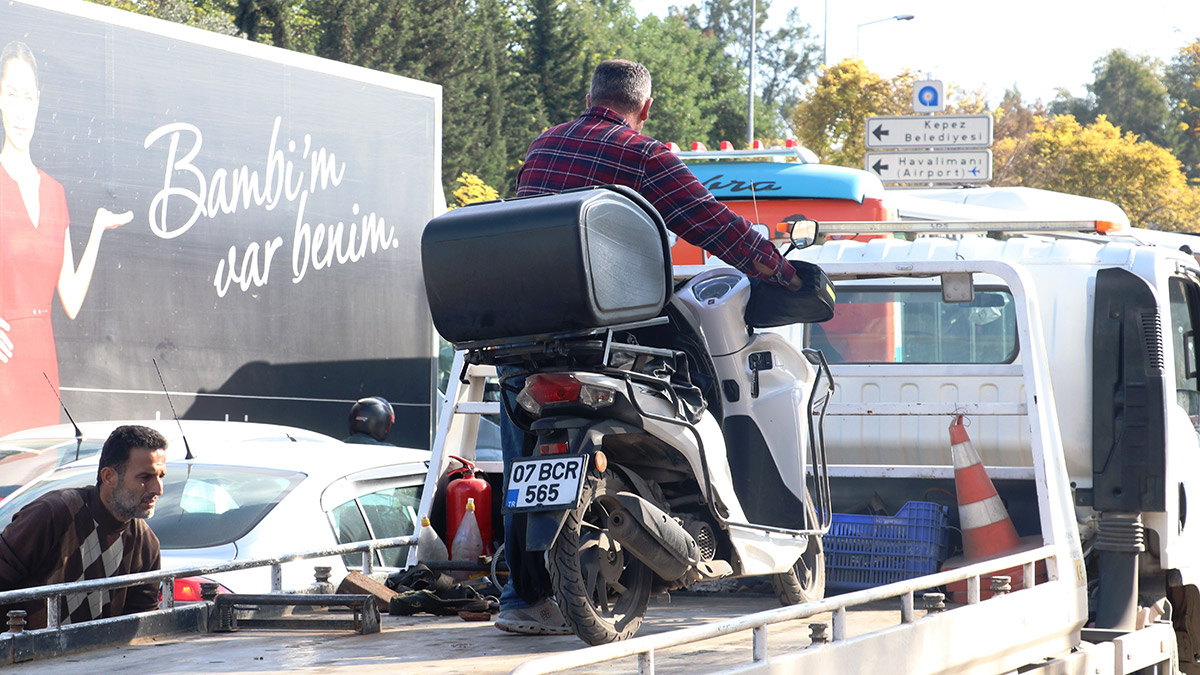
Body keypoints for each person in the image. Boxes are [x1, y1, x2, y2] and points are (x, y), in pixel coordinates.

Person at [494, 59, 803, 635]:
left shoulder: (543, 146)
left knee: (523, 467)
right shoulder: (643, 153)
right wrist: (778, 271)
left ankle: (521, 597)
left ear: (590, 96)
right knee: (694, 394)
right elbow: (706, 222)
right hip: (604, 336)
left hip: (525, 337)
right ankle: (693, 524)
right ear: (646, 107)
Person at [0, 41, 132, 436]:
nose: (21, 109)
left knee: (37, 488)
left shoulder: (55, 193)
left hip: (42, 367)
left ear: (39, 101)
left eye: (28, 96)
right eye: (11, 94)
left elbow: (71, 300)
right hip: (2, 368)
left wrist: (95, 231)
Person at [0, 425, 167, 629]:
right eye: (145, 477)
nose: (158, 488)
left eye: (161, 476)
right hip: (26, 656)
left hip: (95, 659)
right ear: (108, 477)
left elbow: (141, 623)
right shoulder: (53, 513)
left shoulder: (146, 542)